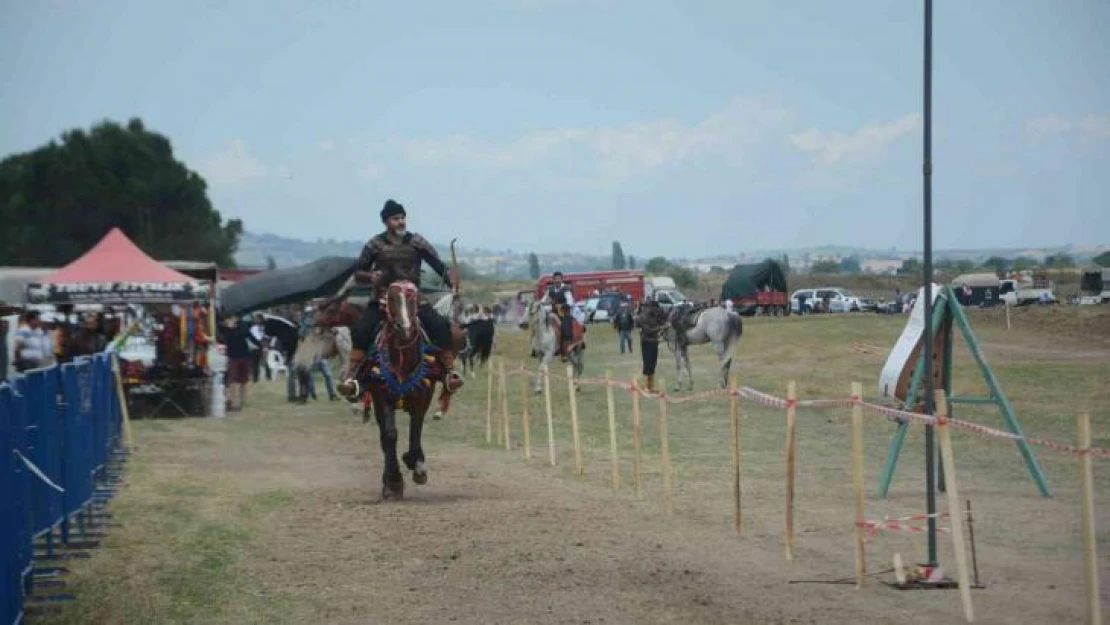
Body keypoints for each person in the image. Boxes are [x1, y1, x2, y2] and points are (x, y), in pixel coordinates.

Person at [337, 199, 462, 398]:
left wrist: (451, 280)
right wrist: (371, 277)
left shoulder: (417, 242)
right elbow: (358, 272)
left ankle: (449, 373)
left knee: (440, 326)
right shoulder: (374, 245)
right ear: (386, 222)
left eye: (403, 218)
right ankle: (352, 378)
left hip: (413, 299)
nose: (401, 222)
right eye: (396, 219)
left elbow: (438, 266)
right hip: (382, 300)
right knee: (361, 330)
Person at [634, 298, 668, 392]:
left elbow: (662, 320)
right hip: (647, 341)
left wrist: (665, 325)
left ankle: (650, 386)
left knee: (653, 365)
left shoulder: (653, 316)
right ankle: (646, 386)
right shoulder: (643, 317)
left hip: (653, 342)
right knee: (648, 364)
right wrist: (661, 328)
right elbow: (647, 330)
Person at [539, 271, 575, 357]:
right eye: (556, 279)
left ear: (562, 279)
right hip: (553, 312)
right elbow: (543, 300)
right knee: (540, 324)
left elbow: (570, 302)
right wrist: (540, 304)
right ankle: (538, 347)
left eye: (559, 279)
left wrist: (562, 305)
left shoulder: (566, 289)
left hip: (563, 313)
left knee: (565, 329)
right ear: (553, 280)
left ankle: (564, 350)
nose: (557, 280)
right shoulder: (550, 289)